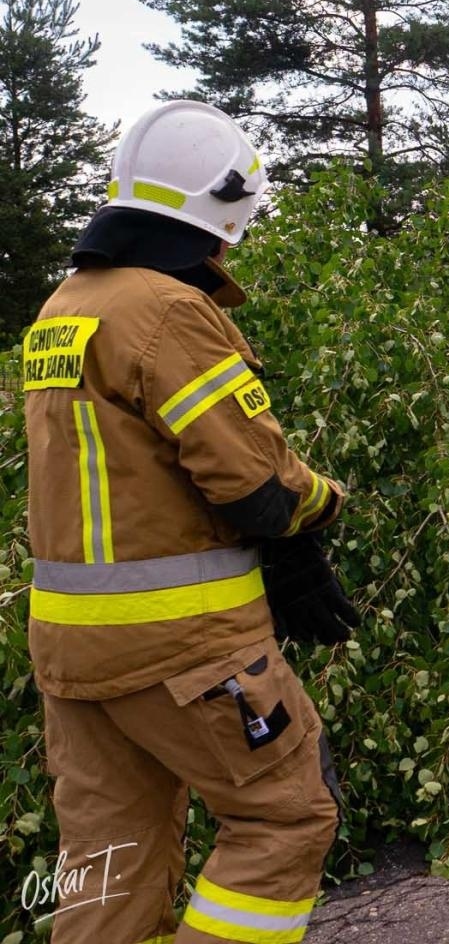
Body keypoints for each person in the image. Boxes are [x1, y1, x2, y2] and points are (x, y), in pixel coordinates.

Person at [22, 100, 358, 944]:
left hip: (71, 649)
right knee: (286, 815)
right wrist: (323, 505)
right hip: (183, 646)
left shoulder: (62, 309)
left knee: (108, 859)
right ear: (225, 211)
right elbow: (261, 487)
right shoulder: (168, 312)